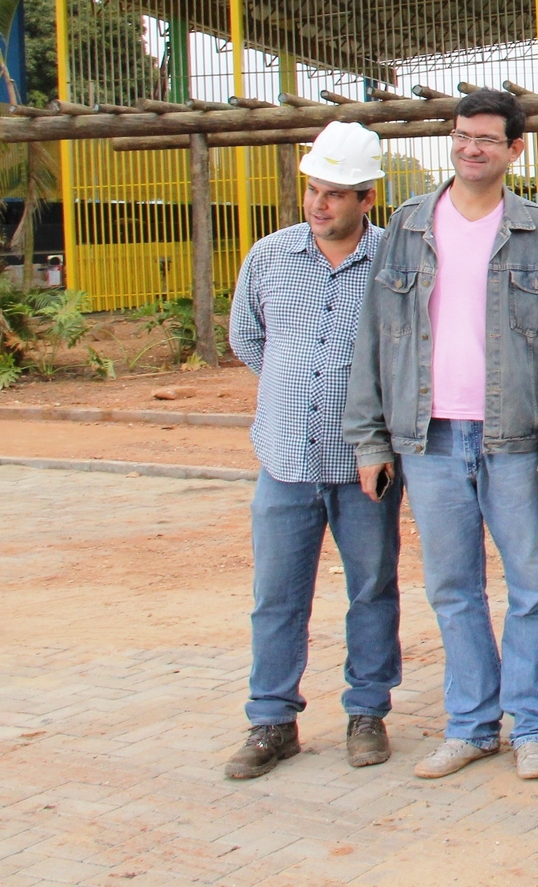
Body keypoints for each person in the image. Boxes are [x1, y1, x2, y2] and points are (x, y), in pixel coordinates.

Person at [344, 88, 538, 782]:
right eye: (461, 135)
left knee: (532, 586)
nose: (471, 148)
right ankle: (472, 726)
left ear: (515, 149)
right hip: (427, 438)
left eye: (486, 138)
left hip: (514, 438)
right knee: (453, 588)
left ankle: (533, 725)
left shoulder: (535, 230)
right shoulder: (407, 225)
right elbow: (374, 336)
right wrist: (370, 440)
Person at [224, 122, 399, 780]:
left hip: (367, 466)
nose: (319, 204)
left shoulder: (393, 262)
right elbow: (248, 338)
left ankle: (368, 712)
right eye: (313, 190)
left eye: (335, 194)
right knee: (276, 595)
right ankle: (272, 719)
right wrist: (294, 393)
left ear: (367, 198)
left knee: (373, 588)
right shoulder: (269, 256)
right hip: (285, 461)